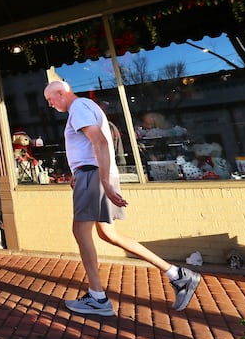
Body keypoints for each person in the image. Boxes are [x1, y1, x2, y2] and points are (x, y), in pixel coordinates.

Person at [43, 80, 200, 316]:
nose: (50, 104)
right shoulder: (85, 107)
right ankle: (177, 274)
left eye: (51, 99)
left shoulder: (78, 108)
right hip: (92, 174)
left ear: (62, 92)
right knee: (108, 234)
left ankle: (97, 298)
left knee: (80, 231)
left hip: (94, 175)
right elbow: (92, 145)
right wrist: (79, 173)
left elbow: (100, 142)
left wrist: (102, 181)